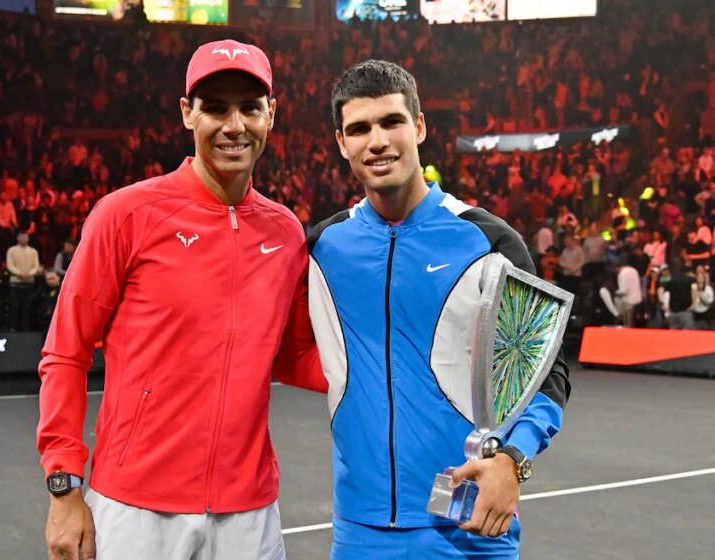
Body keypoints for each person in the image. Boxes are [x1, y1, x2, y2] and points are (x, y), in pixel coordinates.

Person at [37, 39, 322, 560]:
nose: (234, 125)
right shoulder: (125, 215)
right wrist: (64, 485)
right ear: (188, 114)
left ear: (271, 115)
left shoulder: (285, 233)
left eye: (249, 108)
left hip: (250, 512)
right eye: (215, 108)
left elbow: (295, 357)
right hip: (135, 509)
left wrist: (399, 371)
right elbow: (65, 353)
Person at [306, 60, 569, 559]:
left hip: (467, 528)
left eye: (391, 122)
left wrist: (514, 460)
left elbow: (546, 369)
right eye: (359, 129)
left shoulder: (489, 241)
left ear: (420, 126)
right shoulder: (323, 247)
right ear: (342, 143)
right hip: (359, 533)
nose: (377, 141)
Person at [6, 230, 42, 331]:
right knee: (14, 307)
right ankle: (13, 328)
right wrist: (19, 273)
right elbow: (10, 265)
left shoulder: (33, 251)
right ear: (18, 238)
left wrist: (29, 274)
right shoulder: (11, 250)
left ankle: (25, 329)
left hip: (29, 282)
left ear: (28, 238)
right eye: (21, 237)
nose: (23, 239)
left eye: (25, 237)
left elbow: (36, 266)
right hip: (15, 282)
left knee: (27, 308)